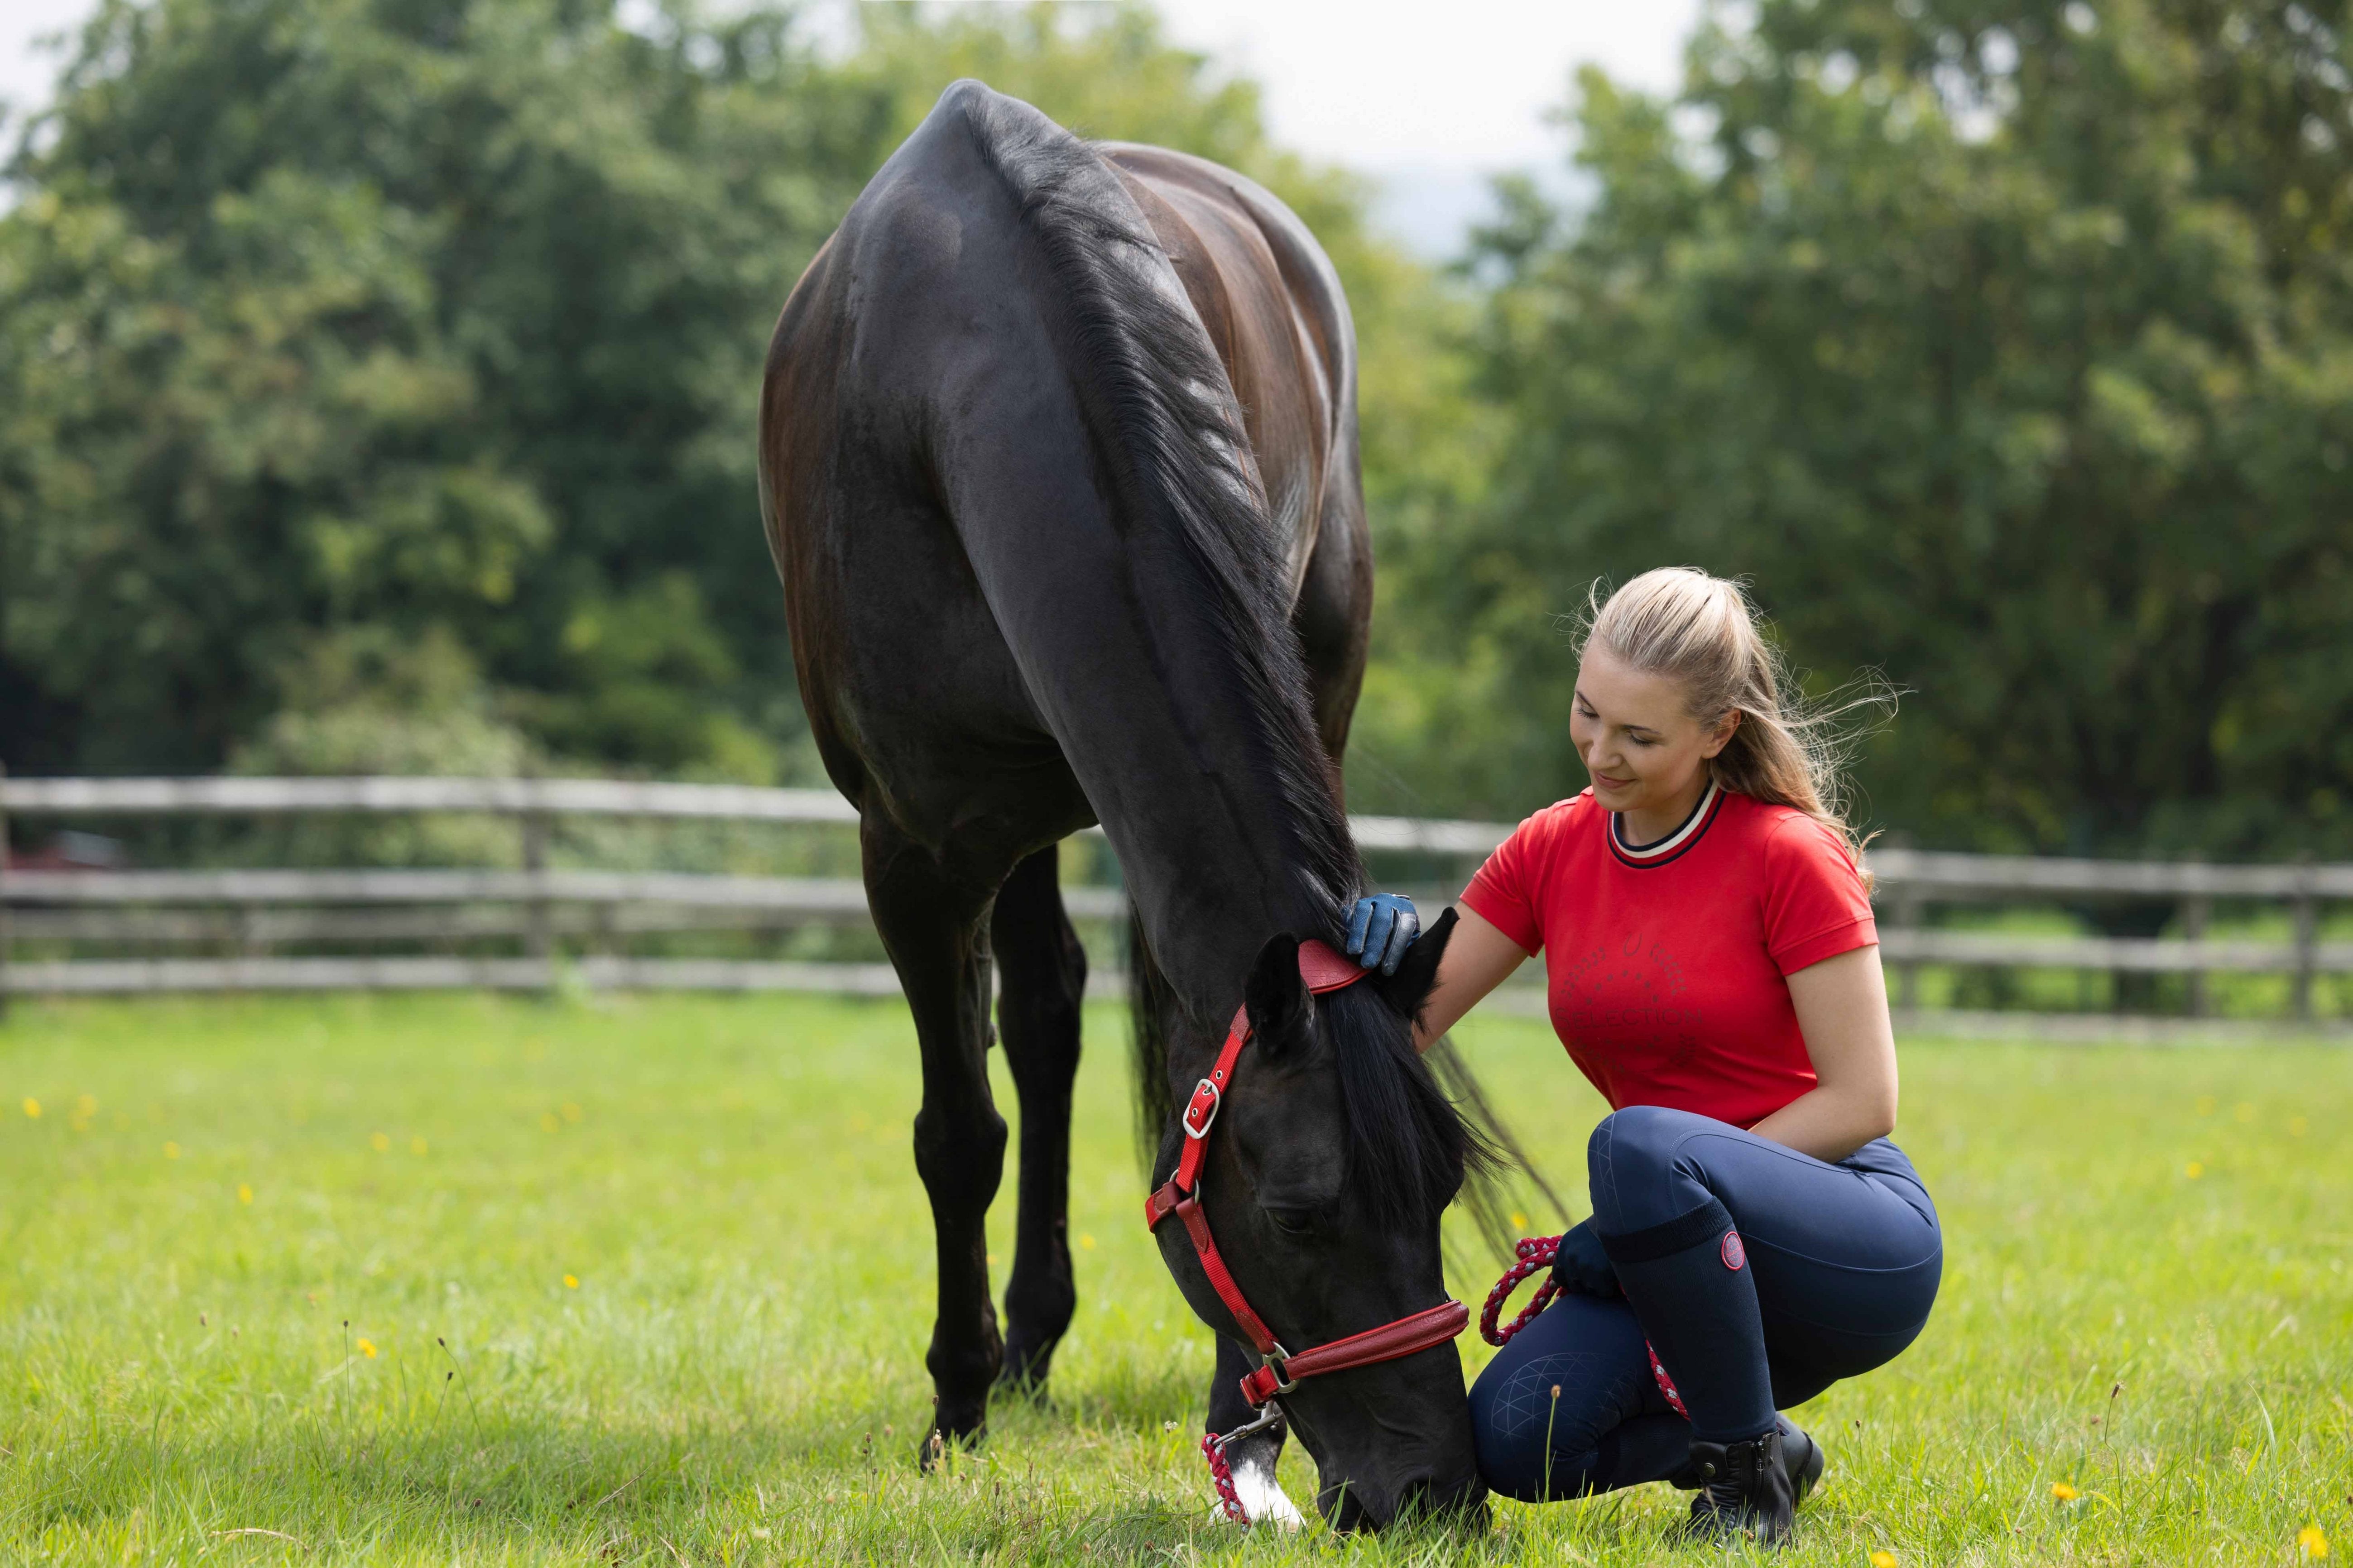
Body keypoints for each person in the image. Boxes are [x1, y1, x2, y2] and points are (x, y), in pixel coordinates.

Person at [1344, 567, 1939, 1545]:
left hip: (1843, 1235)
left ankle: (1746, 1492)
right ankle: (1765, 1440)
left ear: (1719, 731)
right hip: (1669, 1238)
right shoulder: (1549, 850)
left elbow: (1864, 1100)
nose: (1600, 751)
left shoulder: (1790, 855)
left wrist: (1646, 1208)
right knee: (1514, 1443)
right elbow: (1400, 1030)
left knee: (1638, 1146)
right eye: (1588, 713)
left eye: (1638, 735)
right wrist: (1359, 951)